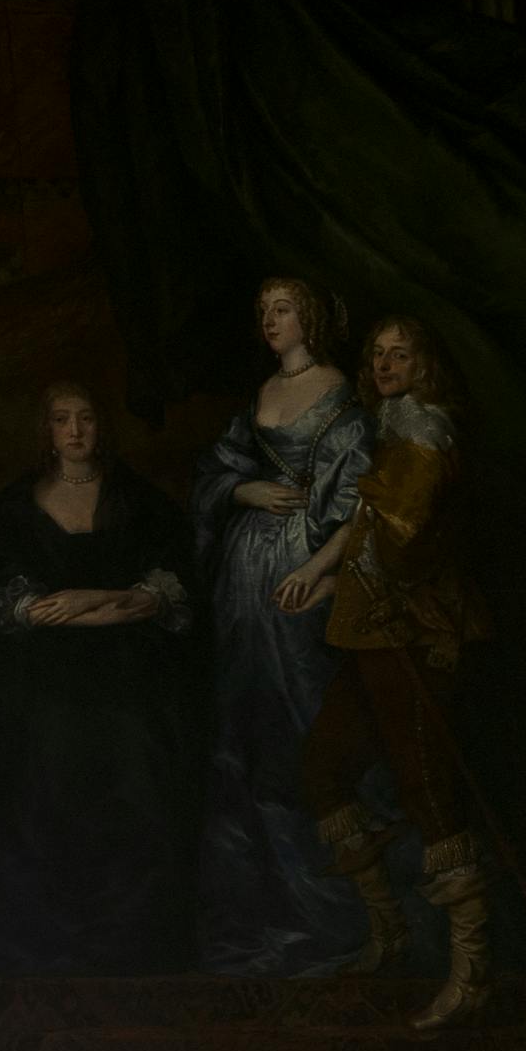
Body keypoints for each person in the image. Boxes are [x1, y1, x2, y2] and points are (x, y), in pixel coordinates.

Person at [281, 317, 496, 1026]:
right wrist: (325, 574)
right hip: (371, 633)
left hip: (415, 635)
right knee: (323, 769)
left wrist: (359, 560)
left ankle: (470, 973)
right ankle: (392, 933)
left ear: (424, 363)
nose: (384, 363)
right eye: (376, 354)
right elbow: (375, 534)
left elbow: (405, 542)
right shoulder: (397, 429)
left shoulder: (428, 435)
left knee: (426, 787)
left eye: (400, 352)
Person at [0, 382, 202, 974]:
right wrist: (91, 606)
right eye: (62, 419)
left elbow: (157, 599)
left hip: (130, 674)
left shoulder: (140, 503)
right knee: (44, 768)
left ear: (102, 427)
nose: (75, 431)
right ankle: (53, 942)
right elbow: (21, 609)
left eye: (86, 418)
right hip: (46, 679)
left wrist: (92, 598)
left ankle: (132, 942)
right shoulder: (15, 509)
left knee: (139, 768)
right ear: (46, 431)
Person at [191, 276, 376, 979]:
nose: (270, 320)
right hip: (244, 580)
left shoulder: (339, 395)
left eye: (283, 308)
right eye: (262, 310)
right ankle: (263, 903)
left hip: (304, 575)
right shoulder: (261, 396)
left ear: (312, 316)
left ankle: (337, 909)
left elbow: (359, 501)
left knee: (305, 719)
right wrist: (244, 490)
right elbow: (219, 467)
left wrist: (315, 559)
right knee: (247, 723)